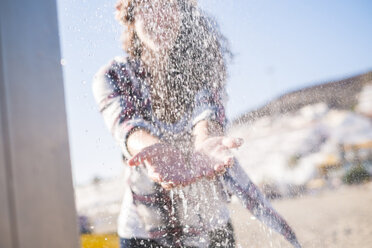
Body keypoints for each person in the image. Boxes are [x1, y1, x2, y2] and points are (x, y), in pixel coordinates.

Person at [92, 0, 301, 247]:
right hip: (144, 230)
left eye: (169, 3)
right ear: (130, 15)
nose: (160, 14)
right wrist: (150, 148)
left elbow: (207, 114)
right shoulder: (113, 75)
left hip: (210, 223)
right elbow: (126, 125)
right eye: (148, 4)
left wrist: (206, 140)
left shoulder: (202, 69)